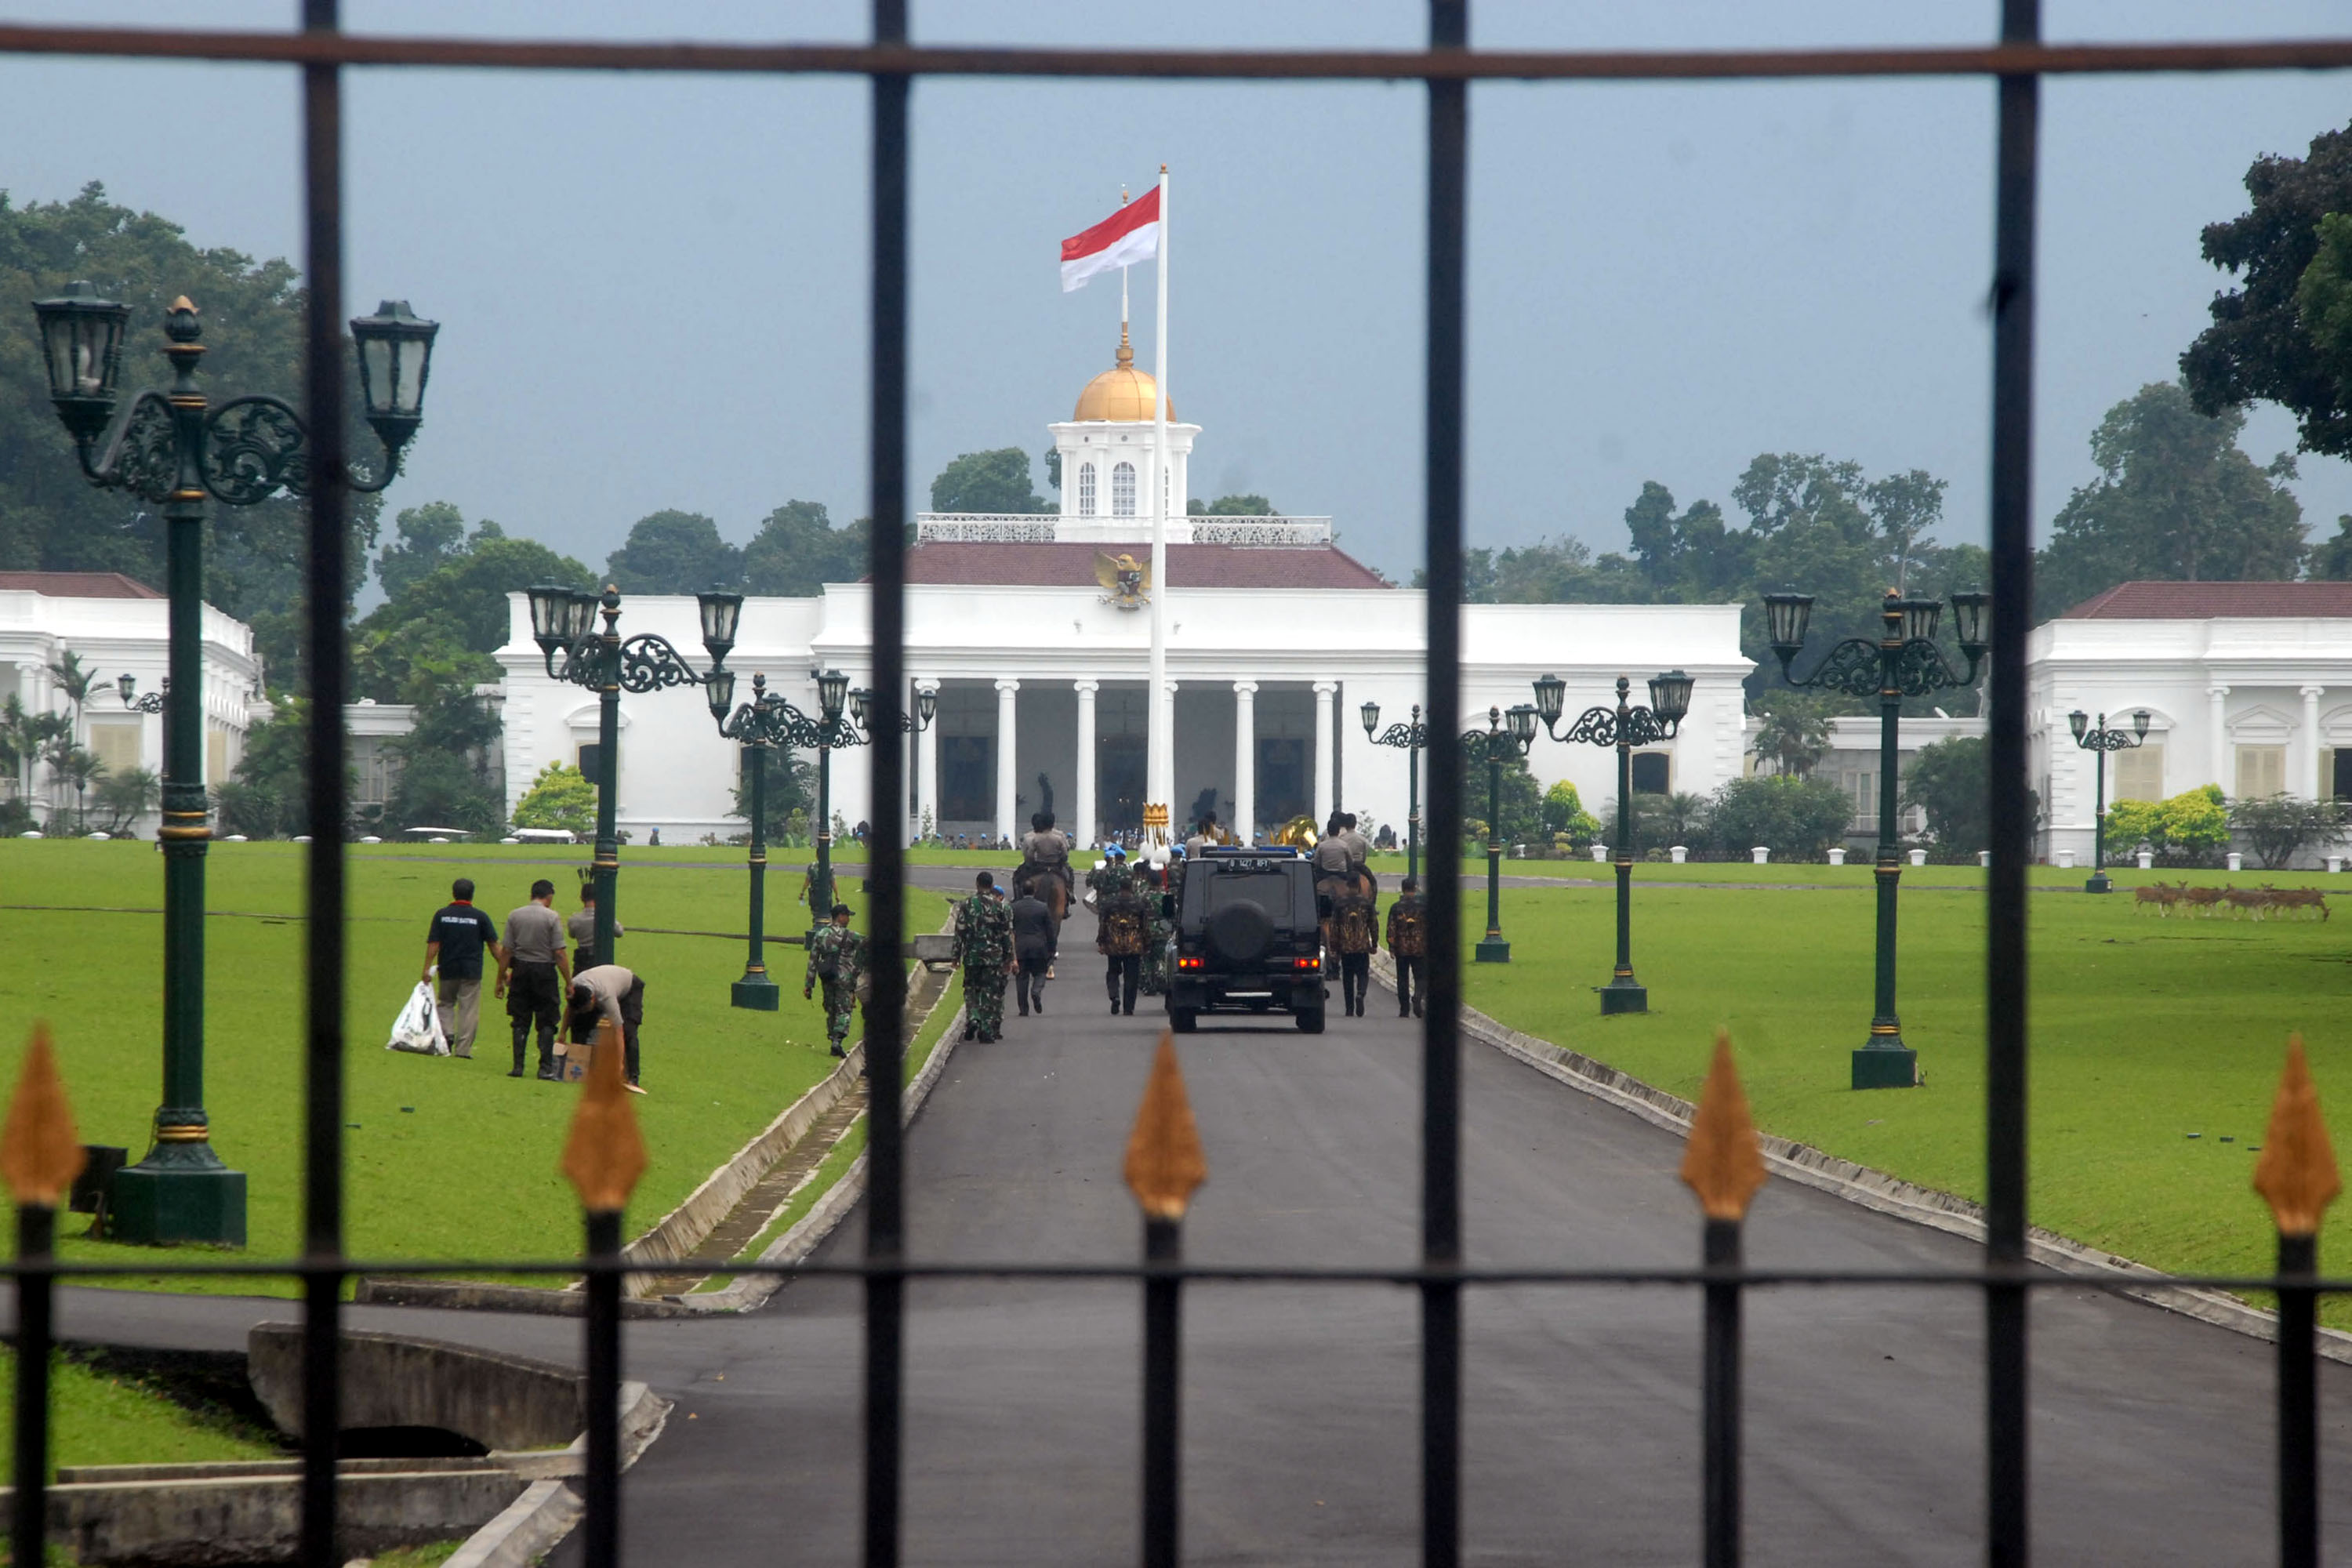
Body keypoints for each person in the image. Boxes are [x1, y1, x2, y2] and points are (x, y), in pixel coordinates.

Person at [421, 878, 502, 1060]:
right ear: (472, 895)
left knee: (446, 1003)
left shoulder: (441, 915)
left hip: (448, 968)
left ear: (453, 893)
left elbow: (434, 943)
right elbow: (494, 946)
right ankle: (463, 1050)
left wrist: (427, 968)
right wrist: (504, 970)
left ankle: (447, 1035)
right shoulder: (480, 917)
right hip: (471, 970)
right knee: (468, 1009)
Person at [499, 878, 571, 1081]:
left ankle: (518, 1066)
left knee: (520, 1019)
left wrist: (500, 978)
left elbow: (506, 951)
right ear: (548, 896)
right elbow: (559, 953)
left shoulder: (515, 915)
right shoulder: (552, 917)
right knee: (547, 1019)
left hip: (520, 969)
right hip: (544, 972)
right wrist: (568, 981)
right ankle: (545, 1068)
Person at [952, 872, 1015, 1042]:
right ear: (992, 885)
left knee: (971, 988)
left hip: (972, 955)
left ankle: (973, 1016)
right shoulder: (1001, 907)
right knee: (989, 991)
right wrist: (1009, 958)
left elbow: (960, 931)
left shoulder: (966, 905)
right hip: (993, 957)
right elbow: (1006, 935)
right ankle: (986, 1029)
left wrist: (955, 956)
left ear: (977, 884)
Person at [567, 963, 647, 1093]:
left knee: (628, 1031)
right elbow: (570, 1010)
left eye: (586, 1008)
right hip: (603, 981)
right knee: (579, 1023)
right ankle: (582, 1068)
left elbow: (618, 1030)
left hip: (629, 987)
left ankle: (632, 1078)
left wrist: (619, 1064)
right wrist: (563, 1033)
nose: (585, 1011)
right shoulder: (573, 988)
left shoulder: (606, 996)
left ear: (592, 999)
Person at [803, 902, 866, 1058]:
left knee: (831, 1008)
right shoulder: (851, 936)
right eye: (847, 916)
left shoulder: (821, 935)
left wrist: (809, 985)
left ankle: (832, 1040)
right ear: (841, 916)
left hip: (827, 976)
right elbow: (867, 944)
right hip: (844, 977)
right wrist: (858, 967)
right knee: (844, 1010)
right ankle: (837, 1040)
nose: (849, 920)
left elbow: (813, 960)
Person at [1095, 855, 1149, 1015]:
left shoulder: (1110, 904)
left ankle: (1114, 997)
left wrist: (1102, 943)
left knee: (1113, 972)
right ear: (1131, 887)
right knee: (1131, 977)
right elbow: (1144, 926)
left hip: (1114, 944)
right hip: (1134, 945)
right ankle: (1128, 1008)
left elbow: (1103, 925)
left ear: (1120, 888)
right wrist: (1147, 944)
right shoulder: (1138, 904)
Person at [1007, 879, 1057, 1017]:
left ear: (1022, 891)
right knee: (1040, 973)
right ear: (1035, 891)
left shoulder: (1014, 907)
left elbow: (1010, 930)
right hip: (1039, 946)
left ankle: (1024, 1009)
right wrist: (1052, 947)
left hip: (1021, 946)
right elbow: (1050, 930)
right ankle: (1036, 991)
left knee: (1021, 978)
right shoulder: (1043, 907)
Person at [1331, 878, 1378, 1018]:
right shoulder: (1367, 903)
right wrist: (1374, 943)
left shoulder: (1340, 904)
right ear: (1359, 887)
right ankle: (1361, 993)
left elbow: (1334, 928)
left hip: (1346, 947)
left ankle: (1349, 1009)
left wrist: (1334, 948)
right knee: (1363, 973)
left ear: (1347, 886)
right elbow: (1374, 925)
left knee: (1347, 977)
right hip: (1362, 946)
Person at [1386, 874, 1428, 1018]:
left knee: (1402, 978)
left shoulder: (1396, 907)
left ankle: (1404, 1009)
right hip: (1419, 948)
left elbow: (1391, 928)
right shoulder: (1423, 907)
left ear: (1403, 890)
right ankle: (1417, 996)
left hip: (1401, 948)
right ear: (1415, 889)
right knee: (1421, 977)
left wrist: (1391, 946)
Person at [568, 880, 622, 973]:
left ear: (582, 898)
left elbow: (572, 935)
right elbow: (619, 932)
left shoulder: (574, 919)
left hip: (582, 961)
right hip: (602, 961)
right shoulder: (606, 917)